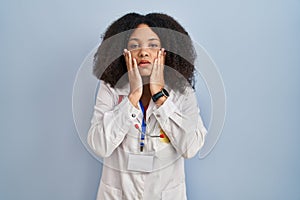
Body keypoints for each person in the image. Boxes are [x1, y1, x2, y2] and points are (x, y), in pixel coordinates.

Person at [87, 12, 207, 200]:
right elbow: (99, 145)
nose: (144, 52)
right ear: (123, 52)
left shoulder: (182, 91)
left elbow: (190, 148)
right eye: (134, 46)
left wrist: (160, 96)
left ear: (166, 52)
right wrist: (132, 97)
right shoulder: (110, 88)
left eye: (153, 45)